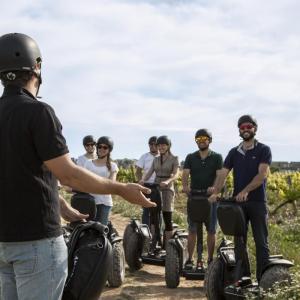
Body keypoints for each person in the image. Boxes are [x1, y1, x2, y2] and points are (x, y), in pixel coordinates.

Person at [0, 33, 155, 300]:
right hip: (37, 243)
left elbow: (18, 172)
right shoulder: (38, 112)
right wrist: (119, 189)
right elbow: (69, 174)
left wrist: (58, 203)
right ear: (37, 66)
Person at [209, 115, 272, 282]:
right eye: (242, 127)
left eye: (248, 127)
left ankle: (263, 282)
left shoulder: (263, 150)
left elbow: (262, 175)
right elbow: (223, 173)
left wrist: (245, 191)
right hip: (239, 206)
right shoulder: (233, 152)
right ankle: (243, 280)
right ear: (239, 130)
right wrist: (216, 191)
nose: (245, 130)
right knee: (239, 244)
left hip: (257, 203)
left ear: (254, 129)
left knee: (261, 243)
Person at [182, 129, 223, 271]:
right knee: (192, 229)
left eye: (204, 138)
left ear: (209, 140)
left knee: (211, 230)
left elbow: (219, 176)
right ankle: (190, 259)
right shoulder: (190, 157)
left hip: (210, 199)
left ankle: (210, 260)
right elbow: (185, 173)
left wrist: (215, 189)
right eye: (198, 139)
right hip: (194, 197)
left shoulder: (217, 157)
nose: (201, 141)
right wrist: (185, 186)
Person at [141, 135, 179, 249]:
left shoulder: (174, 158)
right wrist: (143, 180)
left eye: (163, 145)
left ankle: (167, 247)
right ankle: (154, 242)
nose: (161, 147)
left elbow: (176, 174)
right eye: (159, 145)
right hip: (156, 187)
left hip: (167, 189)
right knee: (154, 216)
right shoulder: (156, 159)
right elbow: (150, 172)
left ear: (168, 146)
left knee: (167, 216)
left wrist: (168, 181)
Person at [84, 136, 118, 225]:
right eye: (100, 146)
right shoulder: (88, 163)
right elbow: (83, 180)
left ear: (109, 150)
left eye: (105, 147)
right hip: (89, 201)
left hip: (104, 203)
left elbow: (111, 184)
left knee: (101, 231)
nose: (101, 149)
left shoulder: (113, 166)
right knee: (87, 229)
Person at [135, 136, 160, 226]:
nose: (152, 146)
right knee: (146, 210)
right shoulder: (144, 156)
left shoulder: (162, 156)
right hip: (147, 186)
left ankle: (157, 234)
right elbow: (138, 171)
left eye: (155, 144)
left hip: (159, 187)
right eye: (150, 144)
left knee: (158, 211)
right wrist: (140, 182)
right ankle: (145, 232)